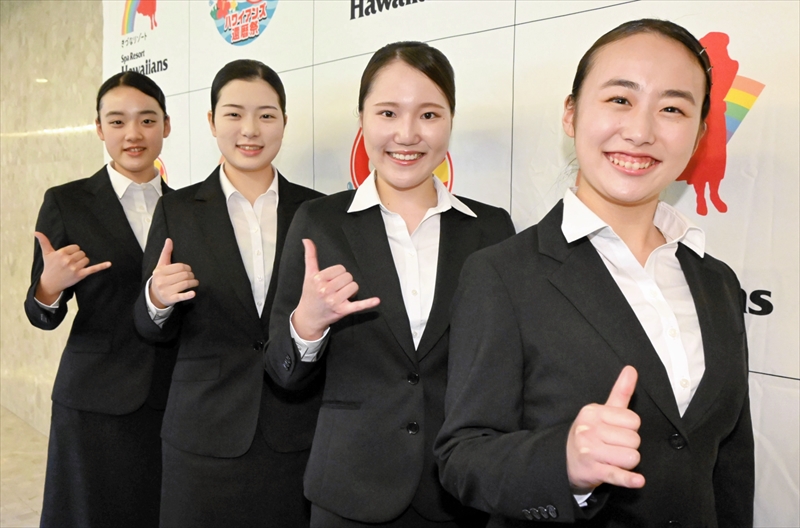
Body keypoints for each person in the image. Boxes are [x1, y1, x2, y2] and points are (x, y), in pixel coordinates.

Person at [434, 19, 754, 528]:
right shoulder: (502, 273)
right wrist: (561, 463)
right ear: (571, 113)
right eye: (620, 100)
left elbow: (731, 465)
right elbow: (462, 457)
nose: (642, 131)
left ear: (697, 136)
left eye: (672, 108)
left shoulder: (717, 282)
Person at [265, 41, 516, 528]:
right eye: (387, 113)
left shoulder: (491, 230)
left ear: (449, 121)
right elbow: (282, 372)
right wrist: (307, 326)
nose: (407, 134)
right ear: (363, 119)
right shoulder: (319, 221)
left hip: (460, 491)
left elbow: (506, 369)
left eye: (428, 114)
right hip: (349, 492)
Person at [132, 59, 323, 527]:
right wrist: (156, 299)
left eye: (266, 114)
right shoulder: (177, 209)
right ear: (212, 121)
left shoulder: (318, 212)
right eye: (234, 114)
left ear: (283, 121)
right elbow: (147, 326)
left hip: (296, 432)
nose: (250, 129)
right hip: (202, 436)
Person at [25, 71, 174, 527]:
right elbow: (40, 314)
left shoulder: (189, 205)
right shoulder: (68, 202)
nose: (133, 134)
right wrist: (49, 286)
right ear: (99, 129)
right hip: (94, 398)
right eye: (117, 122)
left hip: (175, 393)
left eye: (147, 120)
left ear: (166, 126)